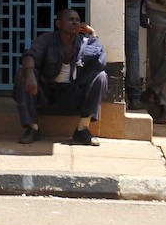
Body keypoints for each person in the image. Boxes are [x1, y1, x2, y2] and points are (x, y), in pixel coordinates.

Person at [13, 8, 108, 146]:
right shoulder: (47, 39)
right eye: (70, 20)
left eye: (77, 20)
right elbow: (30, 55)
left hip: (73, 96)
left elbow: (100, 63)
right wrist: (29, 74)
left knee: (101, 76)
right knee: (23, 74)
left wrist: (93, 37)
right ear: (59, 24)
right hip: (46, 95)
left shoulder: (85, 42)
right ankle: (32, 128)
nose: (75, 23)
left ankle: (82, 130)